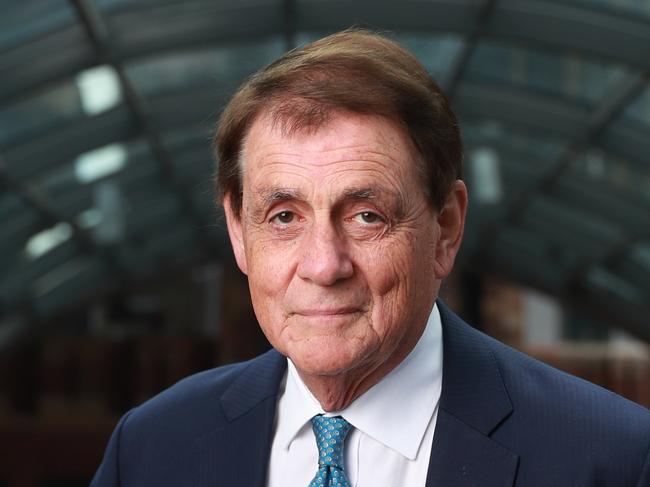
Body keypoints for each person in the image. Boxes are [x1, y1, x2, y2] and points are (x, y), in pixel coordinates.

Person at [92, 29, 650, 487]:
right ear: (239, 232)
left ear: (446, 228)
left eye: (366, 216)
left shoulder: (613, 459)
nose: (323, 266)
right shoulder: (149, 448)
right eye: (284, 216)